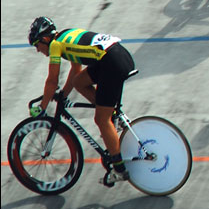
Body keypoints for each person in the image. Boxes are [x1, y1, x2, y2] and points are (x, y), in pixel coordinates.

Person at [27, 17, 137, 184]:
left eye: (37, 45)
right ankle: (114, 115)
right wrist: (63, 94)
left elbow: (52, 80)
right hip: (118, 56)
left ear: (45, 39)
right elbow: (75, 71)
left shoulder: (56, 46)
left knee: (101, 119)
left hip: (112, 63)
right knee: (80, 81)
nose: (37, 50)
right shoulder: (64, 36)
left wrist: (42, 107)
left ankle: (119, 169)